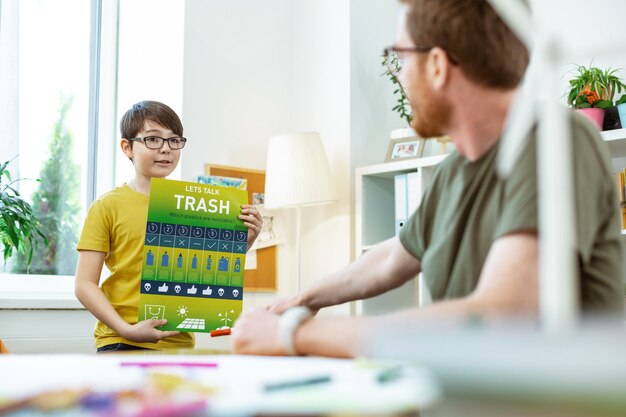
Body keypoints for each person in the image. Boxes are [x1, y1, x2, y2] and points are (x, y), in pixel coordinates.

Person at [231, 0, 624, 358]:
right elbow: (390, 258)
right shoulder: (453, 171)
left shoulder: (555, 139)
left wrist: (294, 335)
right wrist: (304, 299)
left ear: (436, 65)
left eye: (398, 57)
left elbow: (504, 313)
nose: (400, 77)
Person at [75, 100, 262, 352]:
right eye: (153, 139)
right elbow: (84, 285)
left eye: (174, 140)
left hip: (179, 341)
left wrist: (243, 243)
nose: (166, 149)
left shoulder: (194, 206)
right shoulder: (107, 205)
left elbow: (199, 269)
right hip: (122, 340)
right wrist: (126, 329)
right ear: (127, 147)